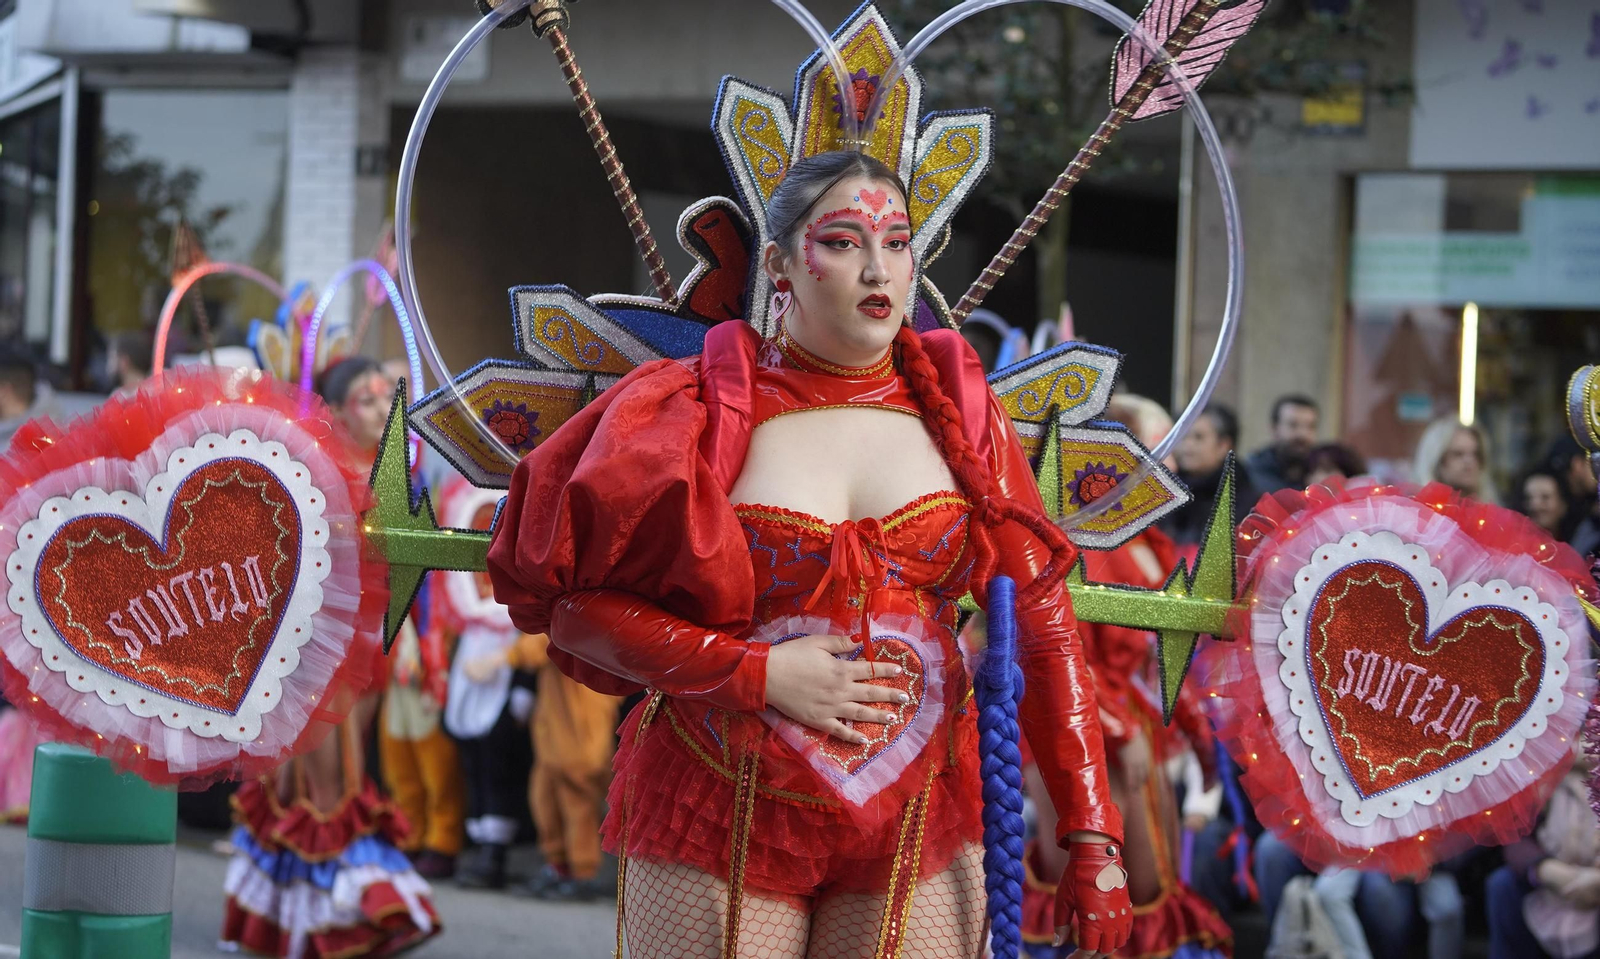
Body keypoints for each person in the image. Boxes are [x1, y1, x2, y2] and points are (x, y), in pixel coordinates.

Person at [488, 151, 1132, 957]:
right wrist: (758, 673)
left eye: (898, 243)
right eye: (843, 241)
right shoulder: (690, 408)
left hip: (917, 813)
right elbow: (575, 614)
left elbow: (1041, 620)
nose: (878, 268)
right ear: (782, 263)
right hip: (716, 798)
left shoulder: (965, 418)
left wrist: (1093, 835)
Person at [220, 357, 441, 957]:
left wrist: (417, 639)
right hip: (312, 650)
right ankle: (338, 919)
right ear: (339, 408)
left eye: (384, 400)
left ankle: (309, 923)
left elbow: (413, 574)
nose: (378, 412)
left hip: (373, 650)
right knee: (320, 786)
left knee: (340, 781)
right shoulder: (313, 471)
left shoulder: (402, 478)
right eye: (367, 401)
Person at [1022, 395, 1231, 959]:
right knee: (1105, 902)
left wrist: (1195, 734)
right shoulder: (1074, 544)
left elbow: (1161, 657)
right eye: (1158, 450)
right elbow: (1053, 656)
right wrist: (1120, 730)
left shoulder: (1149, 544)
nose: (1176, 464)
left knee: (1148, 894)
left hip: (1141, 737)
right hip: (1077, 734)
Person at [504, 632, 622, 901]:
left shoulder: (586, 615)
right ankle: (558, 865)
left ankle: (583, 872)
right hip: (554, 728)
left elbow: (544, 643)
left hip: (581, 722)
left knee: (577, 796)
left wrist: (499, 658)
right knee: (544, 796)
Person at [1165, 403, 1255, 548]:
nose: (1187, 446)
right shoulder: (1165, 491)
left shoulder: (1243, 499)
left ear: (1223, 446)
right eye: (1183, 436)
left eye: (1198, 438)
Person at [1412, 416, 1498, 504]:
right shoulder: (1418, 513)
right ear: (1438, 461)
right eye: (1458, 454)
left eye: (1476, 454)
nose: (1469, 461)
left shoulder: (1488, 511)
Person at [1245, 395, 1318, 493]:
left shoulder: (1318, 473)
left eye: (1310, 426)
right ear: (1274, 428)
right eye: (1293, 425)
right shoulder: (1251, 476)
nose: (1302, 434)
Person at [1520, 468, 1575, 539]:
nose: (1534, 505)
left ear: (1563, 504)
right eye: (1528, 498)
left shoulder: (1580, 542)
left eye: (1545, 497)